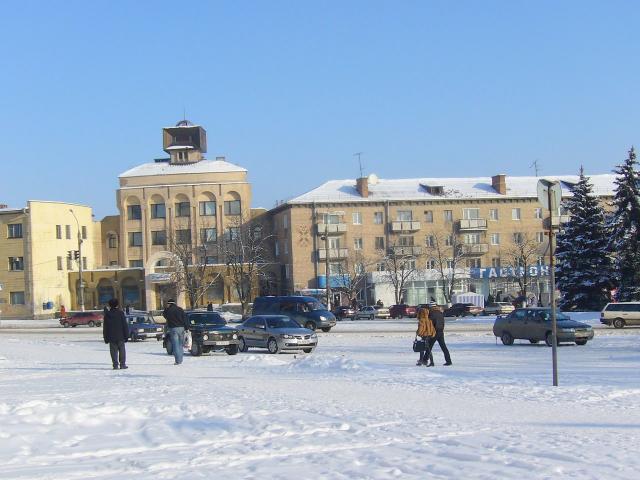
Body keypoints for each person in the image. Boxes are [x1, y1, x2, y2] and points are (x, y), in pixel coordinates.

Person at [102, 298, 129, 370]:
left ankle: (115, 365)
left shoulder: (107, 314)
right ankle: (122, 364)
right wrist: (126, 336)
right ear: (117, 304)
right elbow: (124, 325)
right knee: (122, 350)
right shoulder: (120, 313)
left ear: (110, 305)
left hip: (111, 336)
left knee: (113, 351)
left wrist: (105, 338)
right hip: (120, 336)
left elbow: (105, 327)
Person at [163, 299, 188, 365]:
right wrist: (186, 328)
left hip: (173, 329)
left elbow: (165, 315)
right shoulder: (180, 309)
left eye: (167, 304)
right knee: (180, 345)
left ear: (169, 304)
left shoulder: (168, 310)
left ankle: (178, 361)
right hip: (181, 328)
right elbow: (185, 319)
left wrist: (166, 309)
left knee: (175, 345)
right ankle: (180, 359)